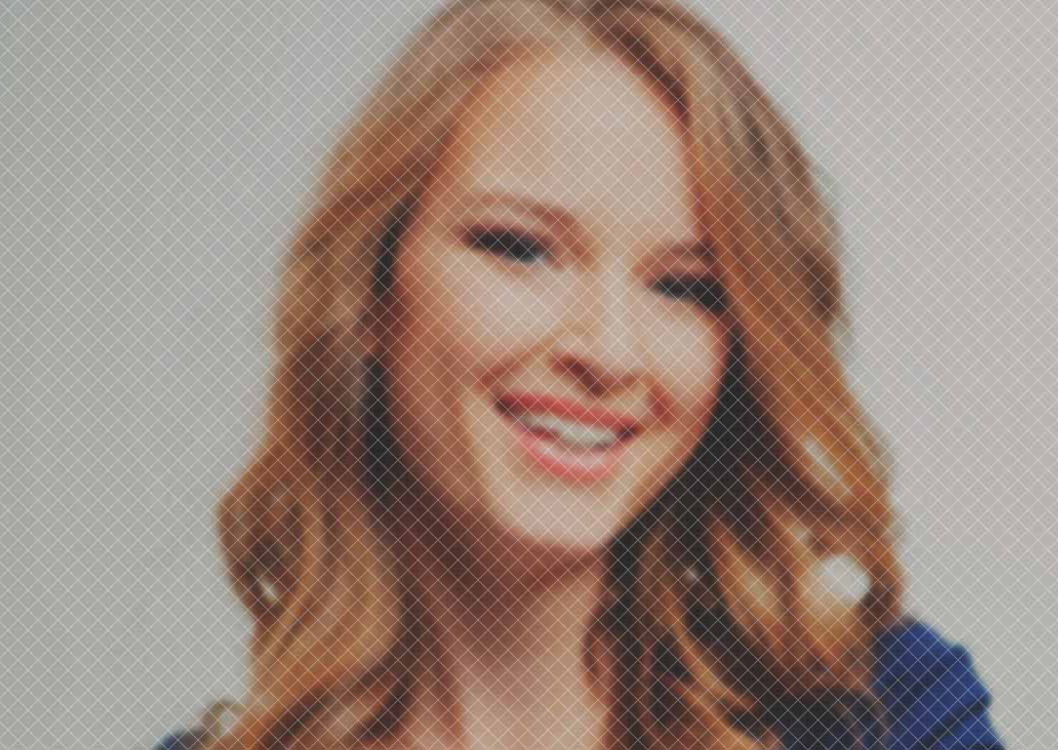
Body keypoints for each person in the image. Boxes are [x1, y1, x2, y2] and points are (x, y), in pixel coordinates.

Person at [157, 1, 1006, 748]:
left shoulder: (882, 720)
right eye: (521, 248)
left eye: (685, 287)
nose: (608, 353)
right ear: (371, 290)